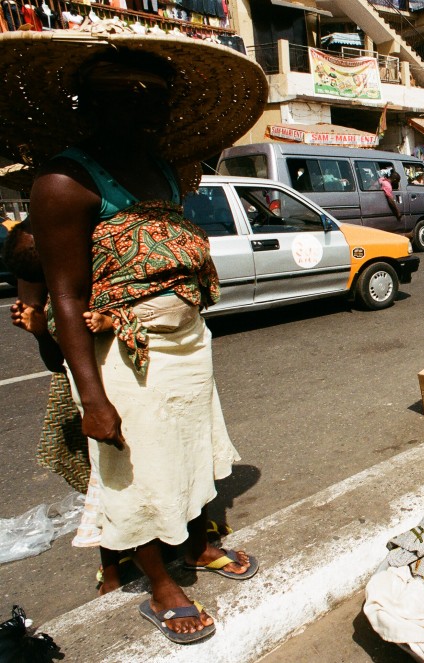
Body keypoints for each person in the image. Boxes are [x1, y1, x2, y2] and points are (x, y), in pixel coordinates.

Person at [10, 37, 264, 643]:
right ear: (89, 106)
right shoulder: (65, 182)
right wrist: (93, 398)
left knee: (191, 448)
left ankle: (198, 544)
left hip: (186, 346)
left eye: (157, 101)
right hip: (122, 353)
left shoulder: (162, 170)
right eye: (127, 98)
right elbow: (67, 298)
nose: (146, 113)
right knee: (134, 471)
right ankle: (159, 583)